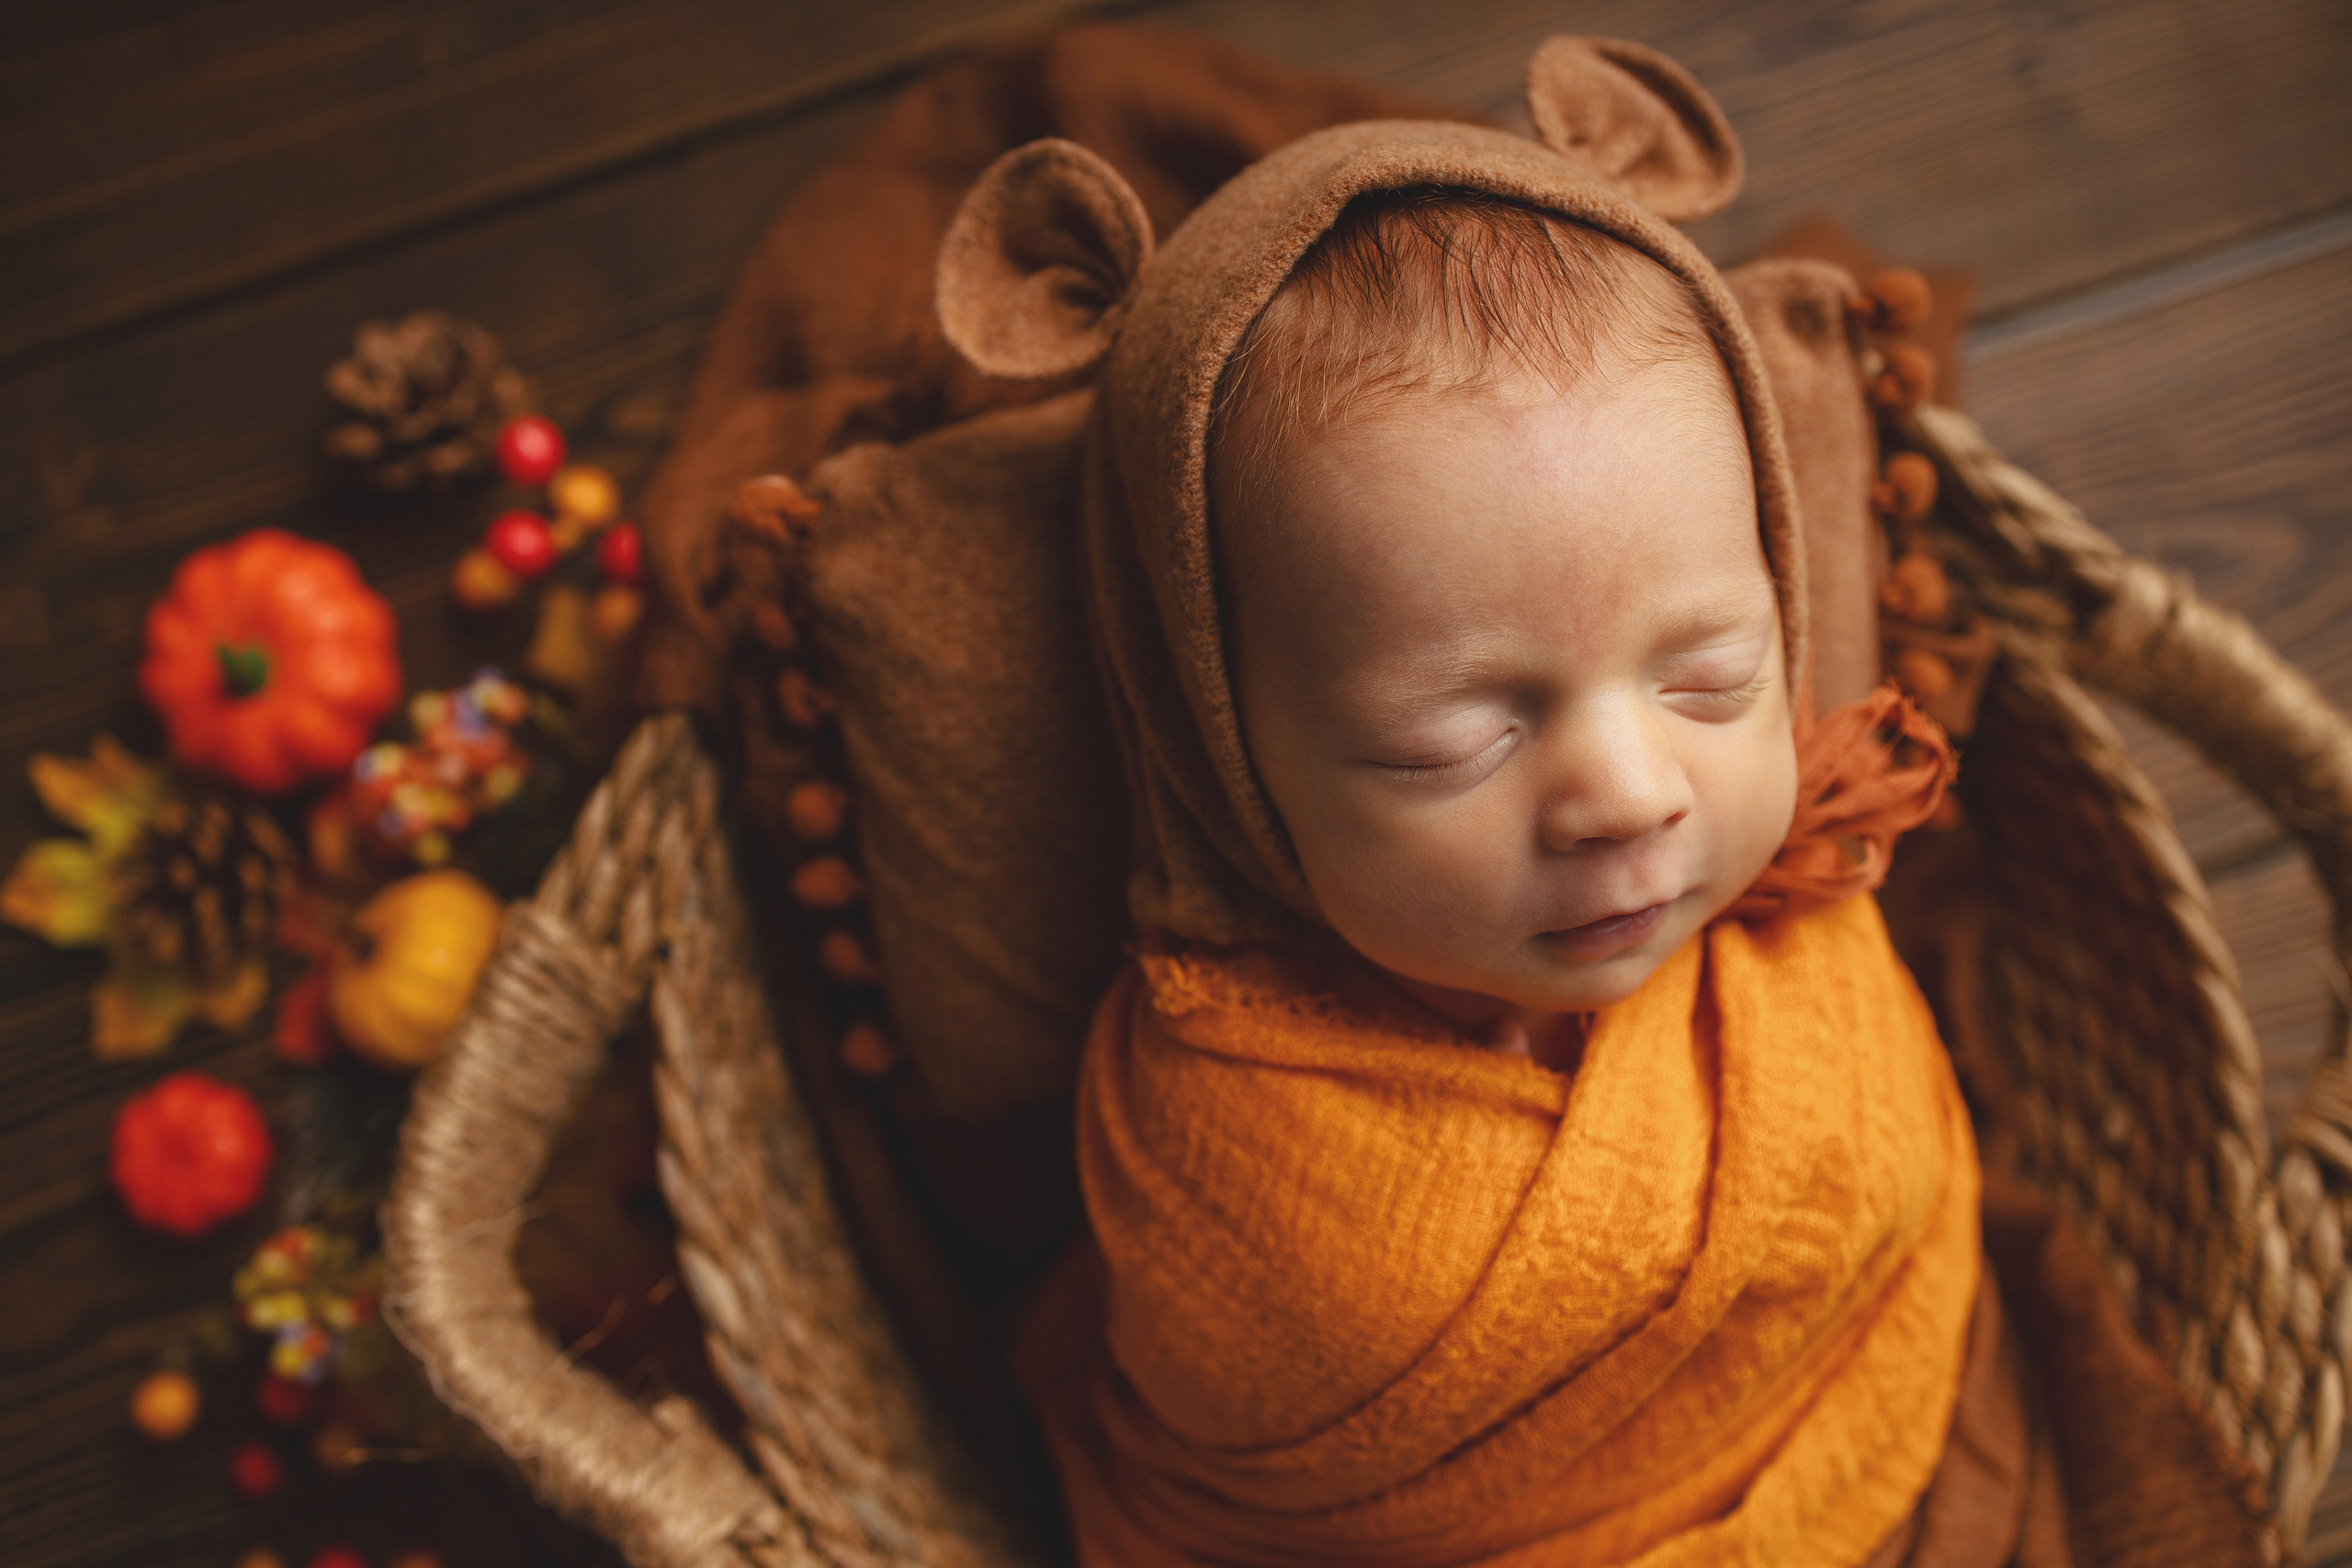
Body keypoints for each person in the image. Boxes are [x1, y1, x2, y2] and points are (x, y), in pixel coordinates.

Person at [931, 40, 2064, 1568]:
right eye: (1450, 741)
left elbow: (1896, 1216)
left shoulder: (1809, 927)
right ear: (1220, 754)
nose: (1627, 798)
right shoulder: (1225, 1150)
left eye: (1710, 679)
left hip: (1878, 1450)